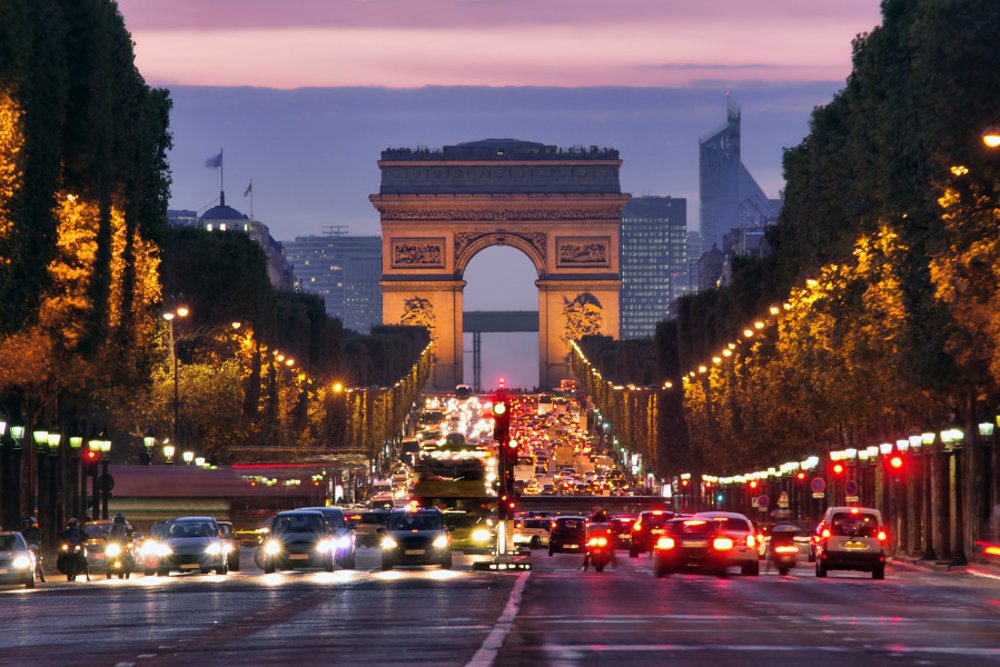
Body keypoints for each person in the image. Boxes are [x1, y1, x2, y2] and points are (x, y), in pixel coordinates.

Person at [22, 517, 46, 582]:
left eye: (28, 523)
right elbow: (23, 540)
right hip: (28, 548)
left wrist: (38, 543)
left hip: (35, 547)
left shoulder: (36, 530)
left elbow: (40, 538)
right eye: (26, 523)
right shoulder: (24, 532)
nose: (27, 525)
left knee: (38, 562)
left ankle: (42, 578)